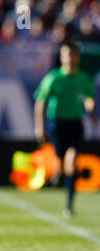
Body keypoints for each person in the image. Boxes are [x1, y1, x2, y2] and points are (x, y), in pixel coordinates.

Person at [34, 41, 97, 218]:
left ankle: (69, 205)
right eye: (65, 54)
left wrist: (91, 108)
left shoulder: (83, 78)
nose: (69, 58)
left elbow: (89, 97)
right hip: (57, 124)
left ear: (77, 56)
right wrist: (39, 127)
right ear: (61, 57)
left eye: (72, 54)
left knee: (72, 162)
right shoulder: (53, 78)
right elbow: (41, 101)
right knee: (61, 165)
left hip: (75, 124)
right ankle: (57, 172)